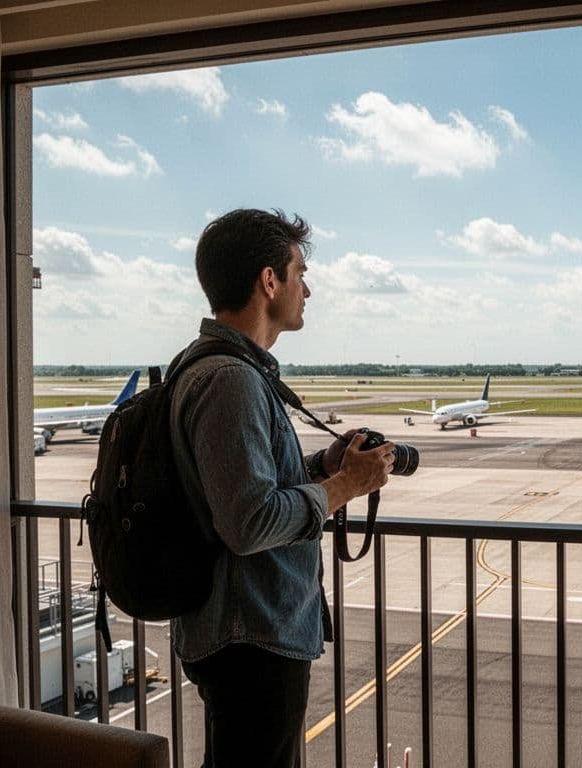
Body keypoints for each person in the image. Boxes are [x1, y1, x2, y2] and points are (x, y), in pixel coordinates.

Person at [170, 208, 394, 767]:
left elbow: (243, 484)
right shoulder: (231, 381)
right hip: (252, 637)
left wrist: (322, 463)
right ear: (269, 282)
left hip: (241, 631)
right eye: (299, 273)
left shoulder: (215, 369)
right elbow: (249, 522)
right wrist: (347, 483)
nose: (307, 290)